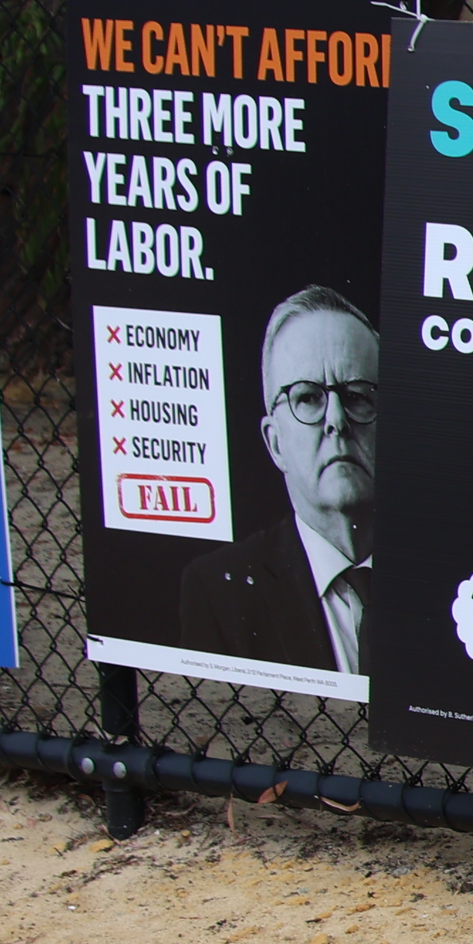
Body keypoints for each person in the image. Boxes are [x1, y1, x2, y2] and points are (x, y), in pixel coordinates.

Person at [178, 285, 375, 680]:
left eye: (357, 395)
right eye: (307, 398)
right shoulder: (219, 593)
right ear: (275, 442)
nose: (336, 420)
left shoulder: (449, 574)